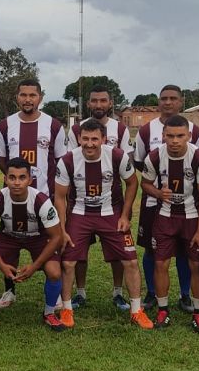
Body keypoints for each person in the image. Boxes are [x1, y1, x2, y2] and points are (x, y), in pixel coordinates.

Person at [54, 119, 152, 330]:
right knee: (69, 262)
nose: (90, 144)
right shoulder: (68, 160)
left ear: (104, 139)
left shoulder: (117, 156)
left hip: (111, 214)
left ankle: (136, 310)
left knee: (131, 261)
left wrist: (125, 215)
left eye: (94, 139)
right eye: (85, 139)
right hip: (79, 214)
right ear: (79, 138)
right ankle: (67, 308)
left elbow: (132, 183)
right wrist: (62, 230)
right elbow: (60, 197)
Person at [0, 79, 67, 309]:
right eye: (23, 95)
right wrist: (16, 183)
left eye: (32, 95)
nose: (27, 99)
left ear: (40, 97)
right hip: (14, 198)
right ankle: (9, 291)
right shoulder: (4, 125)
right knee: (8, 243)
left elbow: (61, 160)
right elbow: (0, 158)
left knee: (51, 247)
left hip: (43, 198)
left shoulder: (53, 125)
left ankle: (59, 297)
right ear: (17, 97)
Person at [133, 84, 199, 311]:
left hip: (188, 206)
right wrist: (156, 188)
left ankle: (185, 294)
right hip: (154, 202)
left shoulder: (195, 129)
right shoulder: (146, 130)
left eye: (173, 98)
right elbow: (140, 163)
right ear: (158, 101)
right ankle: (153, 293)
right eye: (164, 98)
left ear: (181, 101)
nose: (168, 102)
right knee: (150, 248)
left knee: (186, 250)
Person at [0, 158, 65, 331]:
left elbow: (56, 237)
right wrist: (1, 265)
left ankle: (49, 313)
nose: (16, 182)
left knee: (54, 272)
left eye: (22, 178)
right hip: (8, 236)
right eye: (12, 177)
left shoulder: (41, 201)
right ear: (5, 179)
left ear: (30, 180)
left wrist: (35, 266)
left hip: (37, 236)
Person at [140, 115, 199, 331]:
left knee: (196, 265)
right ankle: (163, 309)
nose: (175, 140)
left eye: (180, 136)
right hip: (164, 217)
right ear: (163, 135)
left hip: (191, 218)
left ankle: (198, 312)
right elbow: (145, 184)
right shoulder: (154, 156)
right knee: (161, 263)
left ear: (189, 136)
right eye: (170, 136)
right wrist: (158, 193)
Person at [66, 85, 134, 311]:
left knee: (118, 254)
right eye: (94, 101)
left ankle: (118, 293)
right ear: (88, 104)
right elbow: (70, 161)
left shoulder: (121, 130)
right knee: (78, 252)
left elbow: (128, 171)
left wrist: (125, 211)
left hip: (111, 205)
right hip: (80, 205)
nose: (98, 105)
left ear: (110, 103)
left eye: (102, 101)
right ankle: (80, 293)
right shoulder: (77, 129)